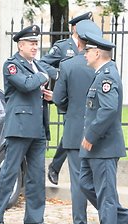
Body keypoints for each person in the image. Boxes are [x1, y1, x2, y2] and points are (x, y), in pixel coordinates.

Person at [77, 33, 128, 224]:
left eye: (87, 51)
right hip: (96, 147)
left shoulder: (107, 76)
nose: (84, 54)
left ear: (96, 53)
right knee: (85, 183)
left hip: (102, 145)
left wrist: (91, 135)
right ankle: (123, 218)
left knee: (106, 192)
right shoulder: (101, 73)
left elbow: (109, 109)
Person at [0, 25, 54, 224]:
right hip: (19, 127)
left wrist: (47, 95)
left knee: (36, 175)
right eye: (31, 44)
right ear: (20, 45)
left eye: (36, 44)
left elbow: (39, 87)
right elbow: (26, 85)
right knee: (9, 172)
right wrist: (43, 78)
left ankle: (34, 218)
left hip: (37, 127)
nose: (35, 47)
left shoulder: (37, 66)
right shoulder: (12, 65)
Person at [52, 19, 102, 224]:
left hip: (73, 132)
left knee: (78, 183)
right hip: (99, 131)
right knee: (102, 182)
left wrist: (71, 110)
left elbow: (58, 99)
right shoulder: (106, 65)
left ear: (78, 41)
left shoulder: (68, 65)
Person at [40, 11, 93, 185]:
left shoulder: (92, 46)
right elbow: (42, 63)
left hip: (85, 96)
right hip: (66, 96)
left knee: (74, 133)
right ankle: (55, 167)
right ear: (75, 28)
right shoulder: (63, 47)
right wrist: (58, 74)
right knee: (71, 132)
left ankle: (56, 166)